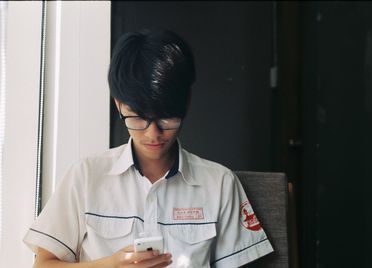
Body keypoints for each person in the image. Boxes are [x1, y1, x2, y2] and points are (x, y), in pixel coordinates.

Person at [23, 29, 273, 267]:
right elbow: (43, 264)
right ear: (119, 104)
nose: (153, 133)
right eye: (139, 118)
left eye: (166, 118)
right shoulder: (86, 176)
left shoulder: (219, 183)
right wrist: (111, 265)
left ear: (184, 105)